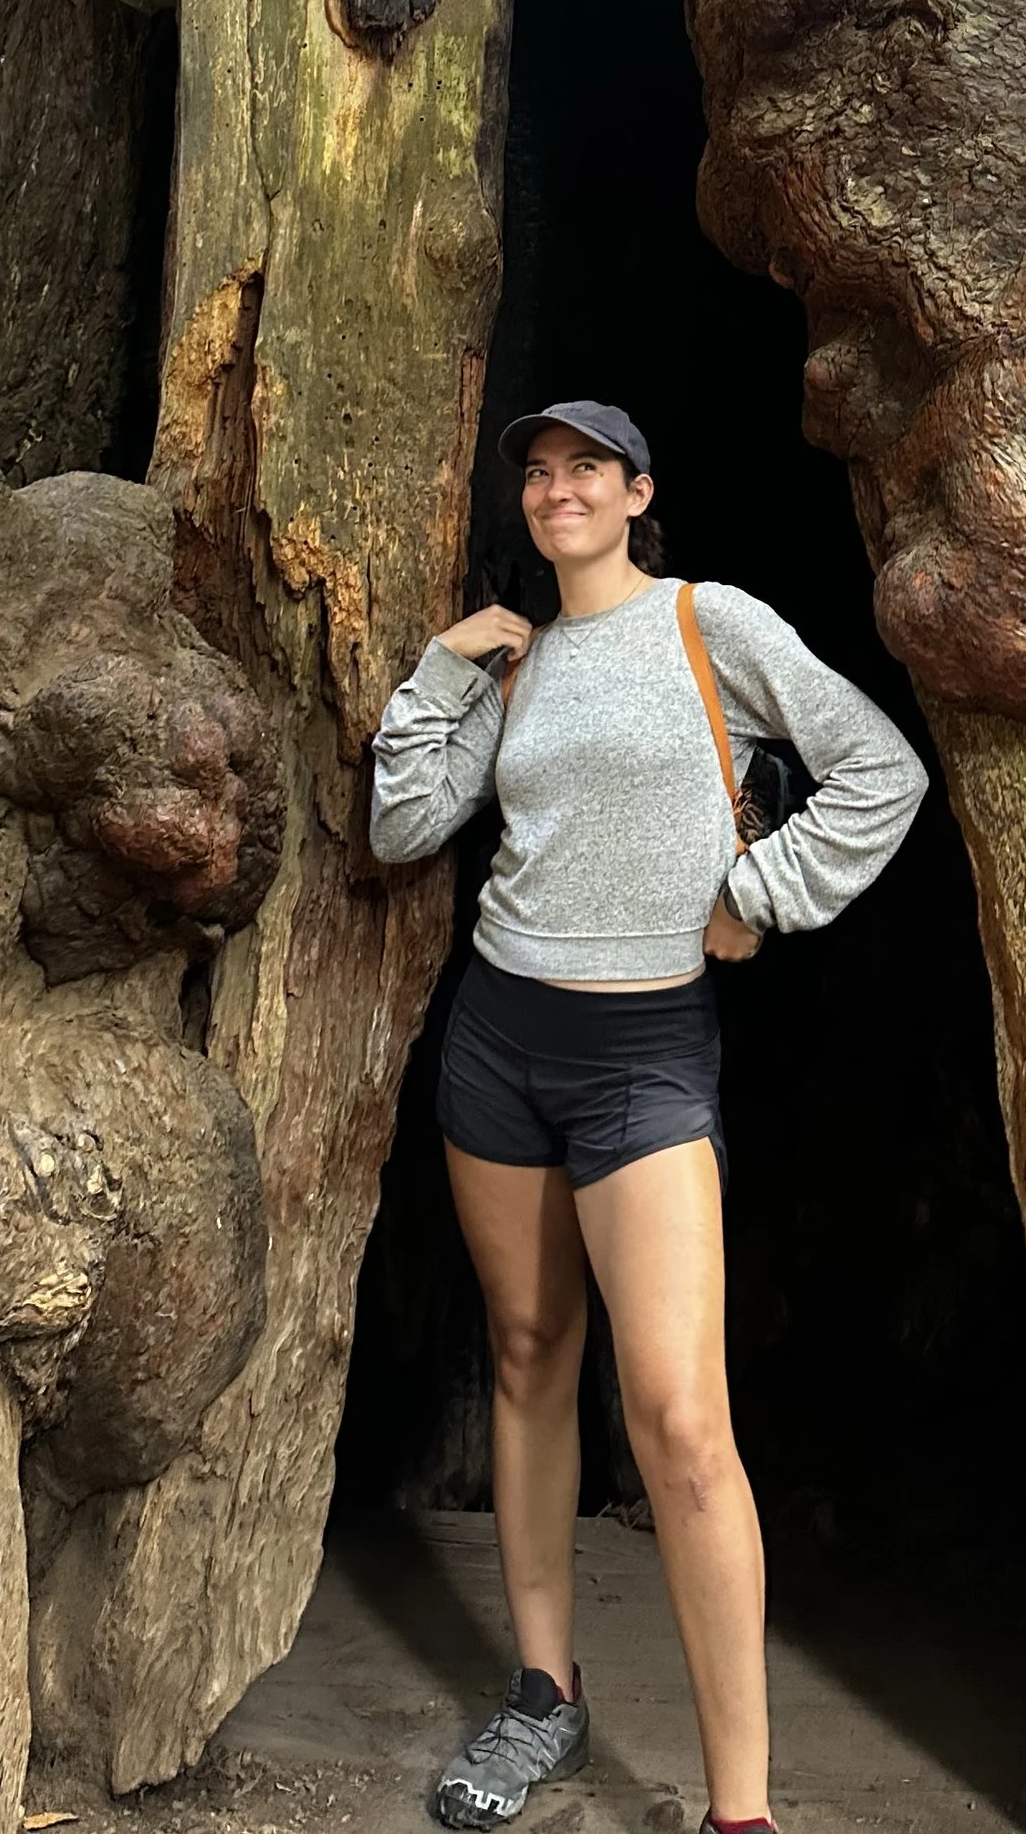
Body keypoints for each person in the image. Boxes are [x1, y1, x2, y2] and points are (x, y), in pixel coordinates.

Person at [369, 399, 929, 1834]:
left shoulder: (710, 624)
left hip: (646, 1053)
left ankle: (742, 1812)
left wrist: (763, 893)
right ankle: (543, 1695)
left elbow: (883, 770)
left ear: (636, 492)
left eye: (584, 472)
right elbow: (401, 826)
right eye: (538, 475)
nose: (558, 492)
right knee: (526, 1350)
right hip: (500, 1039)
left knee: (681, 1420)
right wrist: (440, 672)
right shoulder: (517, 661)